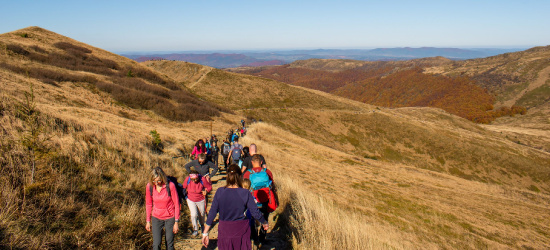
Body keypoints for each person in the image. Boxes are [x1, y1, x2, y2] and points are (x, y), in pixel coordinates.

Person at [202, 165, 268, 249]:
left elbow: (212, 212)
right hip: (242, 230)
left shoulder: (220, 192)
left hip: (225, 230)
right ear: (240, 177)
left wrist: (205, 232)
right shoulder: (245, 193)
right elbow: (255, 212)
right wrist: (264, 222)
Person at [243, 155, 276, 246]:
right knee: (264, 219)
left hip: (253, 201)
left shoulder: (247, 174)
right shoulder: (267, 172)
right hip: (265, 200)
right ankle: (262, 239)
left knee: (252, 219)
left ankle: (254, 238)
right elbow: (272, 185)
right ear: (261, 162)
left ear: (252, 162)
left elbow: (244, 188)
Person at [145, 167, 180, 250]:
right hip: (156, 217)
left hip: (170, 217)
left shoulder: (170, 185)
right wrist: (148, 221)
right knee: (156, 244)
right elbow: (148, 204)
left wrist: (176, 222)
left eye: (159, 180)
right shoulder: (149, 186)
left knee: (169, 243)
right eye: (154, 181)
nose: (157, 183)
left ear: (163, 178)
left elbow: (176, 204)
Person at [182, 170, 212, 236]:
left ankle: (202, 225)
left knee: (201, 214)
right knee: (194, 214)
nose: (194, 181)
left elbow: (209, 187)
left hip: (200, 199)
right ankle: (195, 229)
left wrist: (206, 191)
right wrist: (185, 197)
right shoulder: (188, 179)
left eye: (196, 179)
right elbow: (184, 187)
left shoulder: (202, 179)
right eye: (192, 179)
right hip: (190, 199)